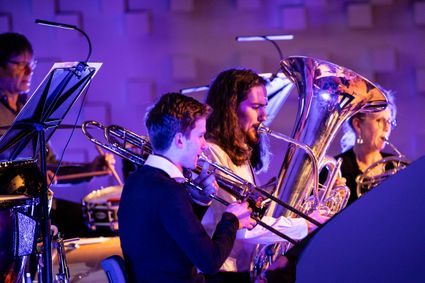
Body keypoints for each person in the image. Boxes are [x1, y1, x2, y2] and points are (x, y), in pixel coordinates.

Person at [201, 68, 330, 282]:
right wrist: (304, 224)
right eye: (256, 107)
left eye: (264, 107)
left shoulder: (239, 155)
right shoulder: (212, 153)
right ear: (230, 109)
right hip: (222, 275)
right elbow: (241, 227)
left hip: (242, 271)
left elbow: (253, 215)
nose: (264, 116)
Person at [118, 92, 257, 283]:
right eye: (200, 136)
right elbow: (209, 261)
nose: (204, 145)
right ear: (180, 140)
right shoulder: (168, 190)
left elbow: (173, 238)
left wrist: (199, 201)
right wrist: (231, 220)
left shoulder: (137, 180)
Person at [337, 89, 401, 205]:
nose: (387, 128)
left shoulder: (397, 167)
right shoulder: (337, 169)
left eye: (389, 121)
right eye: (379, 120)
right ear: (357, 125)